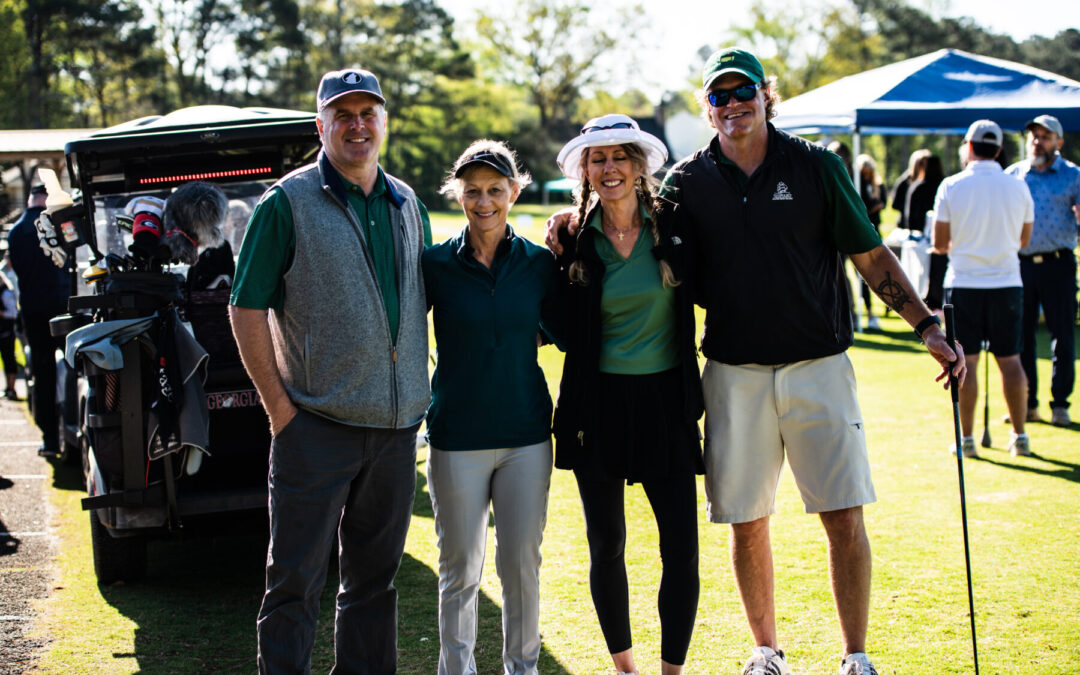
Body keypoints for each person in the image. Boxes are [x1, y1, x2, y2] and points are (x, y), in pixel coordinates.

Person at [659, 48, 966, 675]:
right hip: (734, 372)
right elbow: (643, 246)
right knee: (746, 521)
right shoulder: (685, 182)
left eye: (743, 90)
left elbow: (871, 256)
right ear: (708, 108)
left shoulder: (818, 166)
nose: (733, 104)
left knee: (843, 514)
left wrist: (927, 326)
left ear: (765, 95)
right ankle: (765, 651)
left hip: (819, 365)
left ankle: (855, 655)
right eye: (719, 96)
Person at [229, 67, 433, 674]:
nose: (357, 126)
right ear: (321, 127)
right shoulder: (286, 203)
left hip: (395, 432)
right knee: (294, 583)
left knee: (374, 585)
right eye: (342, 115)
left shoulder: (408, 203)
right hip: (313, 428)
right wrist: (281, 412)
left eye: (368, 114)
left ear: (384, 123)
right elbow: (245, 307)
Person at [552, 114, 704, 675]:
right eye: (598, 158)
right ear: (585, 171)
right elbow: (556, 323)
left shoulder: (676, 226)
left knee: (681, 549)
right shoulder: (571, 239)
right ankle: (626, 669)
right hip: (596, 407)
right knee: (607, 545)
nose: (610, 167)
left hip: (667, 404)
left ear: (640, 166)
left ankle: (671, 670)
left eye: (620, 156)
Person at [421, 140, 561, 675]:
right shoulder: (435, 264)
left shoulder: (539, 263)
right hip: (457, 436)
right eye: (473, 191)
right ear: (458, 195)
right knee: (460, 569)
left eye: (495, 190)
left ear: (514, 192)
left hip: (526, 436)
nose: (484, 202)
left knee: (521, 566)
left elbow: (560, 326)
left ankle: (522, 669)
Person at [932, 119, 1034, 458]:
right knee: (1011, 360)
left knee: (967, 363)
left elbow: (939, 243)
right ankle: (1020, 436)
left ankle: (967, 440)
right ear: (999, 149)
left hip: (964, 283)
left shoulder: (951, 185)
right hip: (1007, 283)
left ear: (970, 146)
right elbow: (1024, 240)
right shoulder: (1018, 186)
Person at [1006, 114, 1080, 428]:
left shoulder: (1073, 175)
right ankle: (1027, 403)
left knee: (1062, 334)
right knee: (1020, 335)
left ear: (1059, 142)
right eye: (1034, 136)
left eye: (1045, 137)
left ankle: (1060, 404)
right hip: (1019, 265)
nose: (1037, 142)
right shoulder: (1013, 175)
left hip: (1058, 263)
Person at [6, 184, 71, 456]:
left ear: (30, 199)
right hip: (65, 306)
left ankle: (50, 439)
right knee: (74, 366)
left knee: (42, 374)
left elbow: (17, 271)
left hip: (33, 309)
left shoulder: (16, 232)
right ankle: (75, 428)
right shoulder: (61, 224)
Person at [905, 153, 947, 308]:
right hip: (942, 239)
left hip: (923, 240)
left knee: (922, 276)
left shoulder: (919, 187)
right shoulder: (944, 185)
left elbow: (909, 217)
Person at [855, 154, 886, 330]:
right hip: (861, 232)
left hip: (875, 232)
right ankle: (868, 311)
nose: (866, 175)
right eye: (864, 172)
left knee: (880, 271)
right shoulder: (857, 184)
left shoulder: (877, 185)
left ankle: (880, 309)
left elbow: (884, 202)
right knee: (862, 275)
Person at [887, 149, 930, 232]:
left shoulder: (930, 183)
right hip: (906, 227)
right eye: (922, 163)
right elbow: (895, 204)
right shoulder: (904, 182)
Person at [1, 262, 18, 400]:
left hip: (7, 331)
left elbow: (13, 313)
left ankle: (12, 388)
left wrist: (1, 313)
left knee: (9, 359)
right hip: (2, 332)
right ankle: (8, 387)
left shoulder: (6, 293)